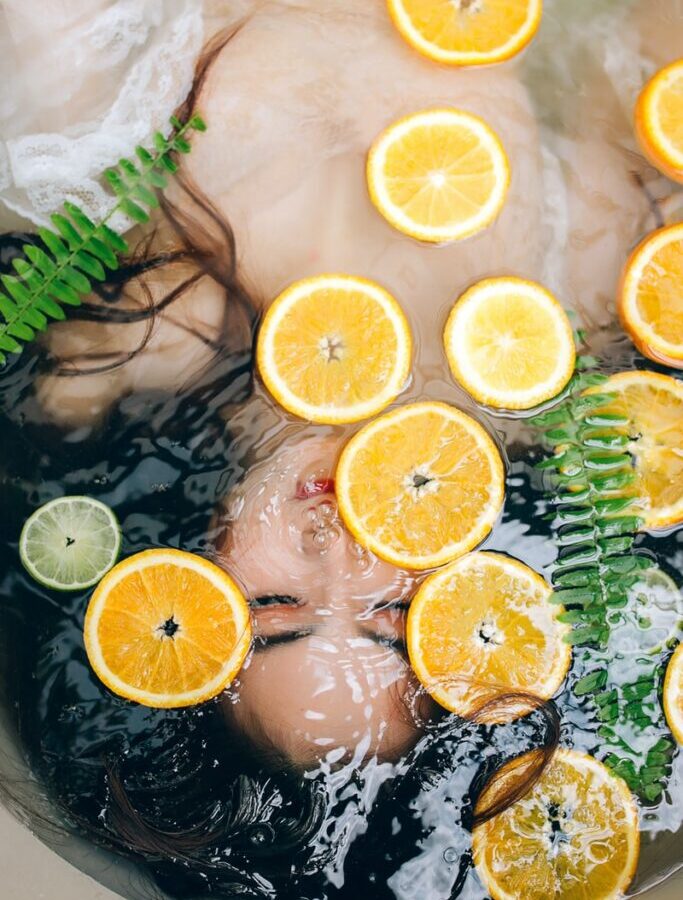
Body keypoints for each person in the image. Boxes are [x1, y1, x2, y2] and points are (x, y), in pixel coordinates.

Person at [0, 1, 679, 898]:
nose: (339, 552)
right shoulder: (575, 315)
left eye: (276, 604)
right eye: (392, 616)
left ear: (185, 570)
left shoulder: (134, 323)